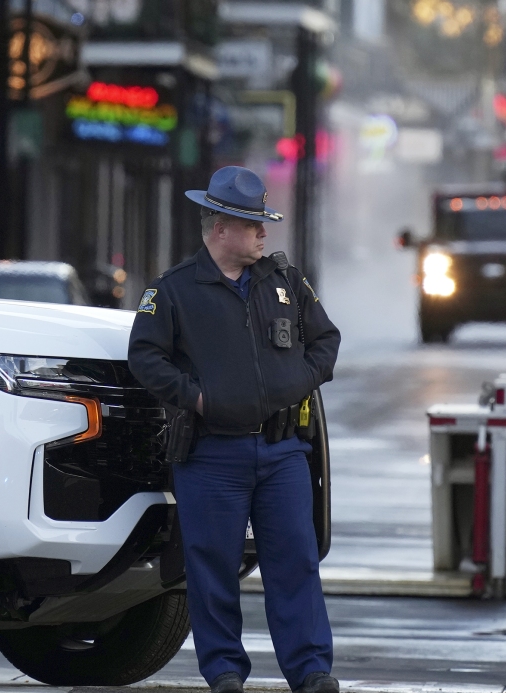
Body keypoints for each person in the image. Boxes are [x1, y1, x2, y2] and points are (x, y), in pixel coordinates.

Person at [128, 166, 341, 693]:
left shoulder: (285, 281)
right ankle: (223, 670)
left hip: (283, 451)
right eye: (253, 224)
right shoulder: (174, 290)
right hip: (210, 456)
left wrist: (297, 380)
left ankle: (311, 670)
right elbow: (145, 357)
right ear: (221, 226)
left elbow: (326, 341)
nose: (264, 234)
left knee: (296, 561)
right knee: (212, 568)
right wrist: (197, 397)